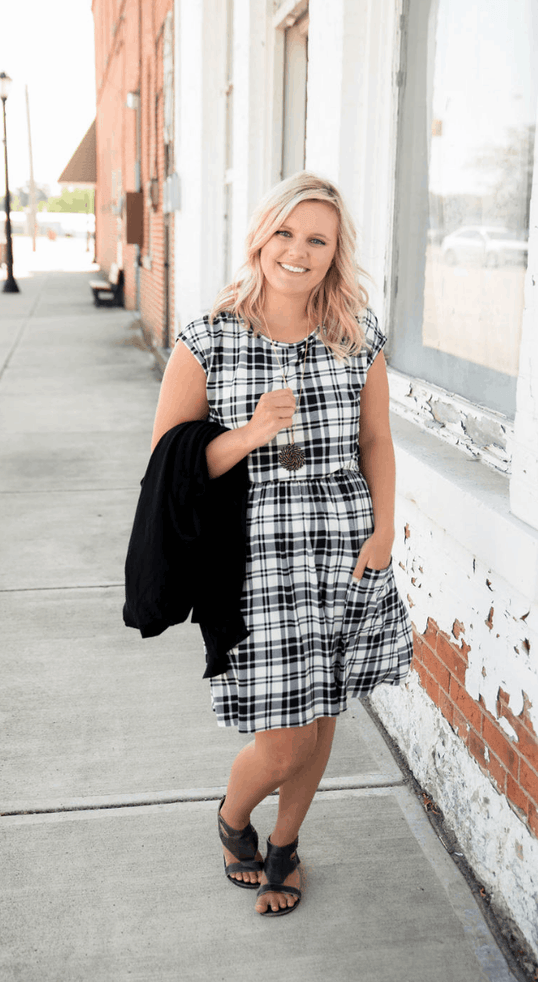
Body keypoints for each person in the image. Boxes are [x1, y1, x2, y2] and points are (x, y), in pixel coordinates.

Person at [149, 171, 412, 916]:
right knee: (283, 741)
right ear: (261, 237)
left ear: (335, 252)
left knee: (323, 711)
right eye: (286, 233)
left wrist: (384, 529)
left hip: (343, 543)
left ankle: (286, 847)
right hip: (253, 555)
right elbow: (170, 464)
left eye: (317, 239)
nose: (298, 251)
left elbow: (375, 439)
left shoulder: (356, 334)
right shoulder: (209, 338)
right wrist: (254, 432)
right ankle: (234, 817)